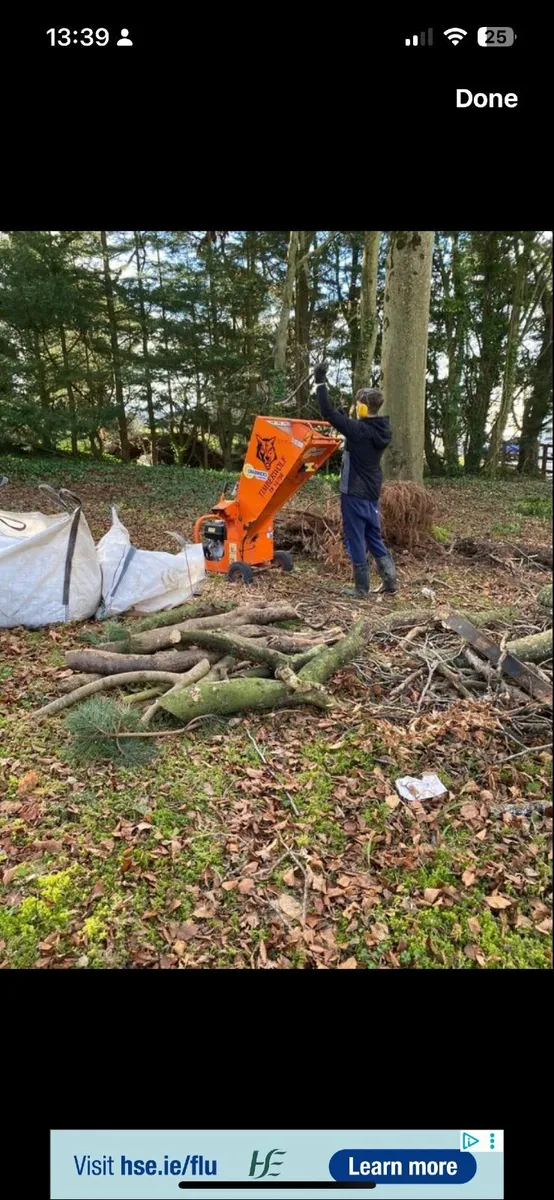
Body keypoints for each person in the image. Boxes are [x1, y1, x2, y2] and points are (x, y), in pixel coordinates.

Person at [314, 362, 397, 596]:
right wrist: (345, 419)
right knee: (372, 534)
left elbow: (327, 412)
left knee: (355, 538)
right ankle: (390, 582)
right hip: (371, 491)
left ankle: (362, 588)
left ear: (361, 408)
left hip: (354, 491)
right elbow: (354, 429)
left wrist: (320, 381)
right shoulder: (381, 429)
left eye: (356, 405)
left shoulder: (358, 431)